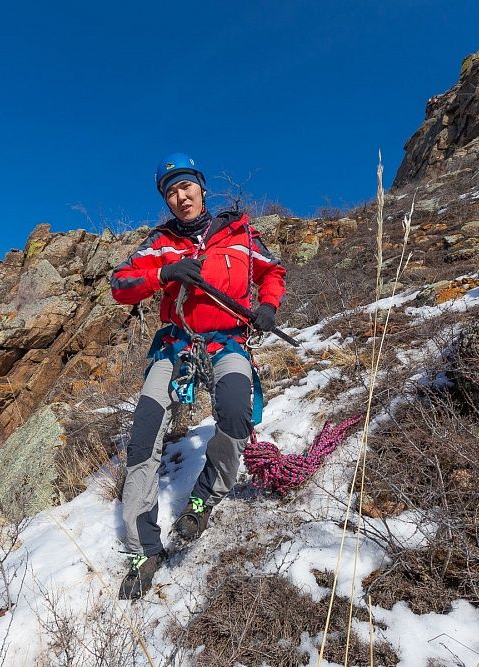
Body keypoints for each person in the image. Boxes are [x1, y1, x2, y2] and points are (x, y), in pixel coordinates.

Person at [110, 152, 286, 599]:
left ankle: (206, 495)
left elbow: (272, 271)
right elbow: (120, 285)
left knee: (233, 410)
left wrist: (267, 307)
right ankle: (143, 548)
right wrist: (163, 272)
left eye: (186, 186)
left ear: (202, 188)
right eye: (170, 191)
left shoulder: (240, 230)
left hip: (228, 339)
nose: (180, 196)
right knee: (143, 435)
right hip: (176, 344)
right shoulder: (160, 242)